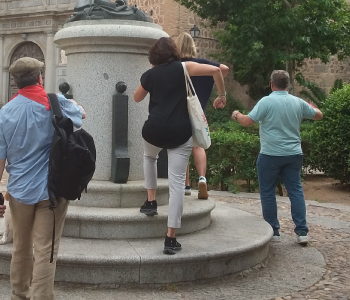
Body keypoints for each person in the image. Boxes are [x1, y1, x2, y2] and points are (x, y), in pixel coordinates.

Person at [0, 57, 84, 300]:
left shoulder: (6, 111)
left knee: (20, 246)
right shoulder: (54, 103)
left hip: (18, 191)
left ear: (16, 81)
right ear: (40, 77)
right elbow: (81, 116)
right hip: (50, 192)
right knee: (46, 252)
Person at [133, 37, 226, 255]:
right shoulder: (184, 67)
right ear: (174, 52)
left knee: (149, 158)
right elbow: (217, 71)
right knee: (176, 185)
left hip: (153, 130)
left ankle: (151, 201)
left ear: (153, 55)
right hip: (179, 131)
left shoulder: (150, 74)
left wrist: (151, 80)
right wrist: (221, 95)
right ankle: (170, 237)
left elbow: (137, 98)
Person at [231, 70, 323, 245]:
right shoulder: (297, 102)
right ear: (287, 84)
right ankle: (302, 231)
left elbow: (247, 121)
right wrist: (312, 107)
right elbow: (319, 115)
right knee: (296, 191)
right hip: (294, 154)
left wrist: (236, 114)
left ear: (271, 84)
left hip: (270, 154)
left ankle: (274, 231)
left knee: (267, 192)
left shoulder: (266, 102)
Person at [174, 32, 230, 199]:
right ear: (193, 46)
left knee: (182, 146)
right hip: (199, 111)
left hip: (179, 112)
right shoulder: (204, 65)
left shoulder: (175, 65)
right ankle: (202, 178)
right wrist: (218, 89)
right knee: (197, 146)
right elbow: (224, 69)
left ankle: (186, 185)